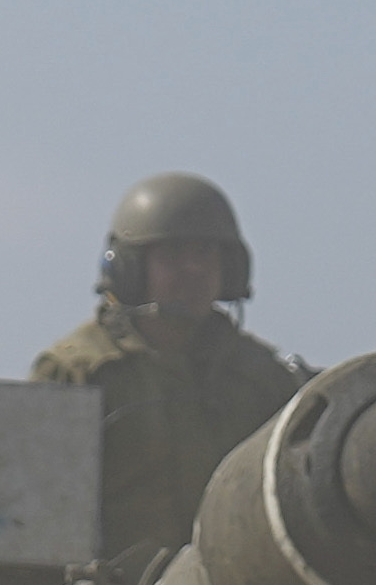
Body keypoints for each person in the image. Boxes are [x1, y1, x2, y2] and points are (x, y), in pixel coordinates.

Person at [38, 170, 301, 559]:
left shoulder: (262, 378)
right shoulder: (82, 372)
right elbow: (21, 497)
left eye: (206, 254)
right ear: (127, 269)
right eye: (173, 255)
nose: (193, 269)